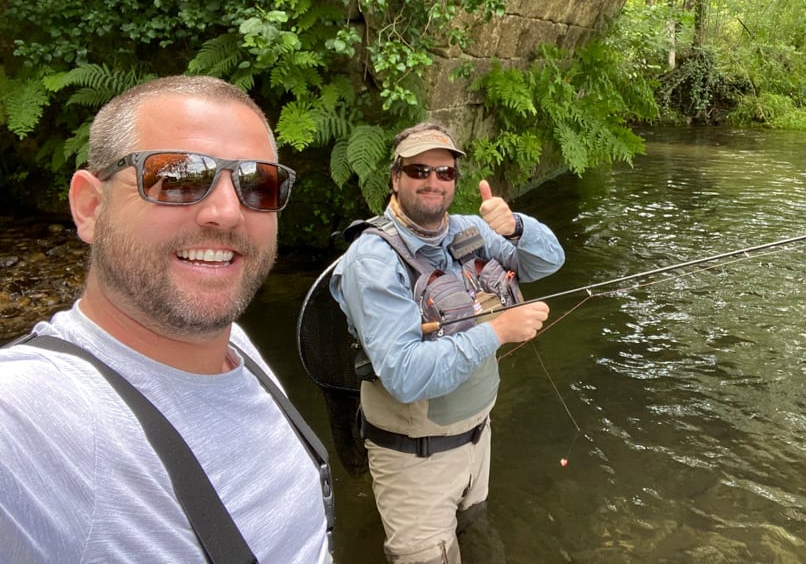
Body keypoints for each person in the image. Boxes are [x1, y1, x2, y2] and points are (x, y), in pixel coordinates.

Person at [0, 75, 333, 563]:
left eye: (256, 184)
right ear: (90, 207)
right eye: (177, 178)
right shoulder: (33, 416)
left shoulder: (234, 346)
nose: (226, 212)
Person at [329, 122, 565, 563]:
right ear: (395, 178)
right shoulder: (372, 260)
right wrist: (496, 331)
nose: (433, 182)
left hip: (479, 438)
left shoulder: (468, 228)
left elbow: (548, 262)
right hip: (416, 459)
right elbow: (403, 374)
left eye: (445, 172)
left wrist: (516, 226)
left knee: (475, 534)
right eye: (419, 171)